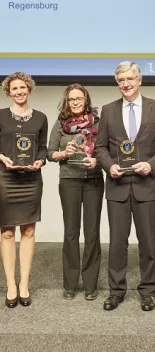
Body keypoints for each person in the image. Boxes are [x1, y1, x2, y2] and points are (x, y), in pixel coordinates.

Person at [95, 61, 155, 312]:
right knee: (117, 242)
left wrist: (152, 164)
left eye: (130, 79)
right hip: (117, 185)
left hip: (146, 184)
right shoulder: (108, 110)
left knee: (147, 241)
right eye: (120, 81)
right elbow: (100, 147)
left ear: (139, 80)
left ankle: (148, 291)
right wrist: (109, 166)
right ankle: (116, 291)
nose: (125, 84)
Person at [47, 84, 104, 301]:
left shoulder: (98, 123)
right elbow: (49, 152)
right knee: (71, 232)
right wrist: (63, 153)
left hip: (94, 180)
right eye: (72, 99)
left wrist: (97, 160)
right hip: (69, 180)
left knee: (92, 233)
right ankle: (70, 284)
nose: (76, 102)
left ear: (86, 100)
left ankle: (90, 284)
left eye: (80, 98)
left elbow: (106, 150)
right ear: (67, 102)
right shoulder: (61, 124)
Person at [0, 72, 48, 308]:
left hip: (31, 179)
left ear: (29, 89)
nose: (19, 91)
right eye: (14, 88)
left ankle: (24, 284)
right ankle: (10, 284)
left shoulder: (40, 117)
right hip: (5, 177)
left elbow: (42, 147)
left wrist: (40, 161)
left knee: (28, 231)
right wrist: (2, 157)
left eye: (23, 87)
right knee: (7, 232)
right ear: (8, 92)